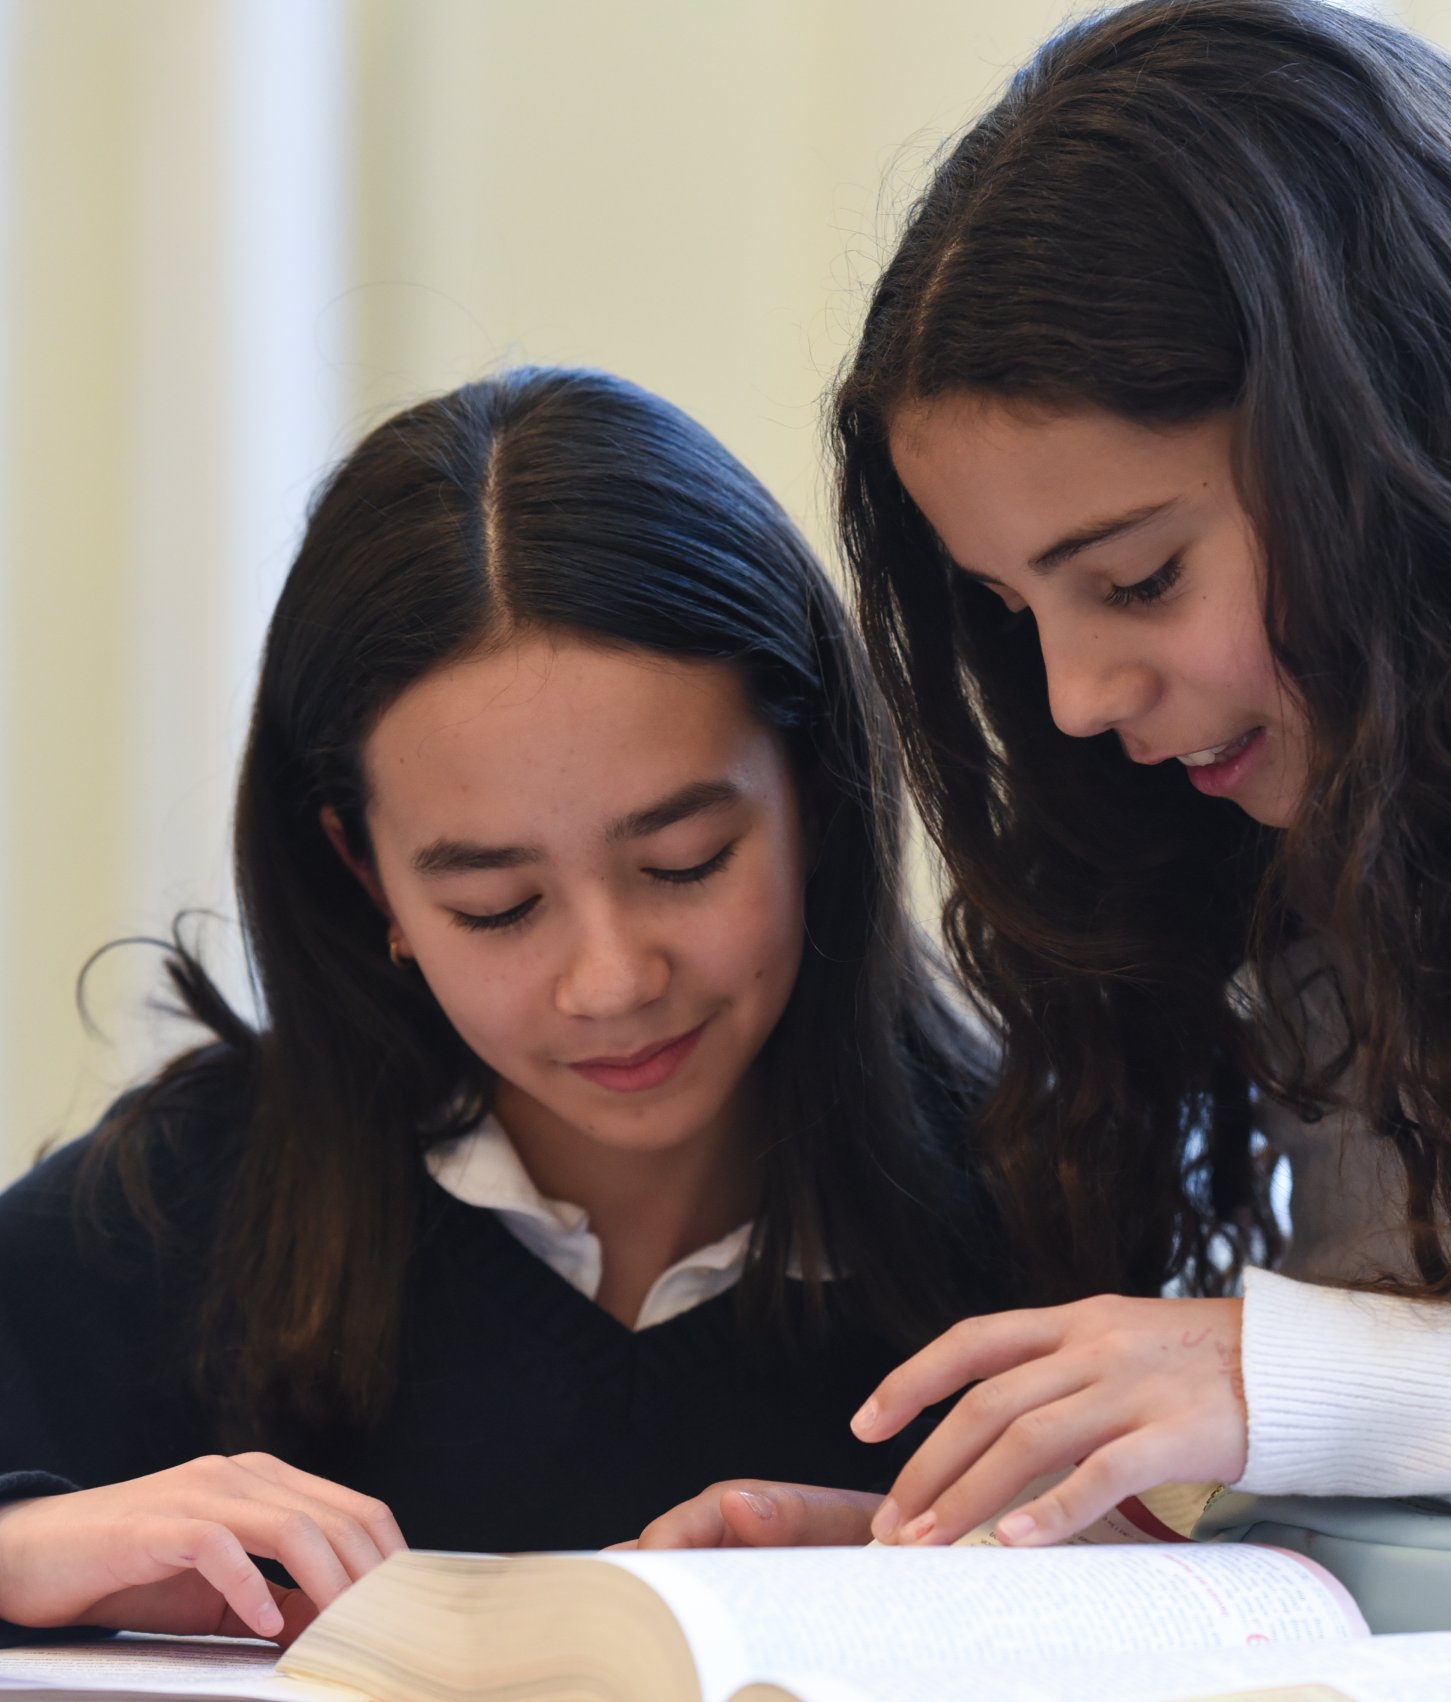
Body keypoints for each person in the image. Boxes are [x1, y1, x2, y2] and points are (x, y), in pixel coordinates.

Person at [647, 0, 1451, 1565]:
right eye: (1013, 612)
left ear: (1394, 438)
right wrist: (992, 1578)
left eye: (1138, 578)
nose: (1077, 699)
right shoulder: (1324, 805)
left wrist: (1310, 1374)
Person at [0, 367, 993, 1642]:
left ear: (816, 790)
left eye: (684, 862)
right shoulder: (175, 1208)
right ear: (369, 876)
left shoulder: (1042, 1204)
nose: (612, 980)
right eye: (497, 905)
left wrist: (1002, 1585)